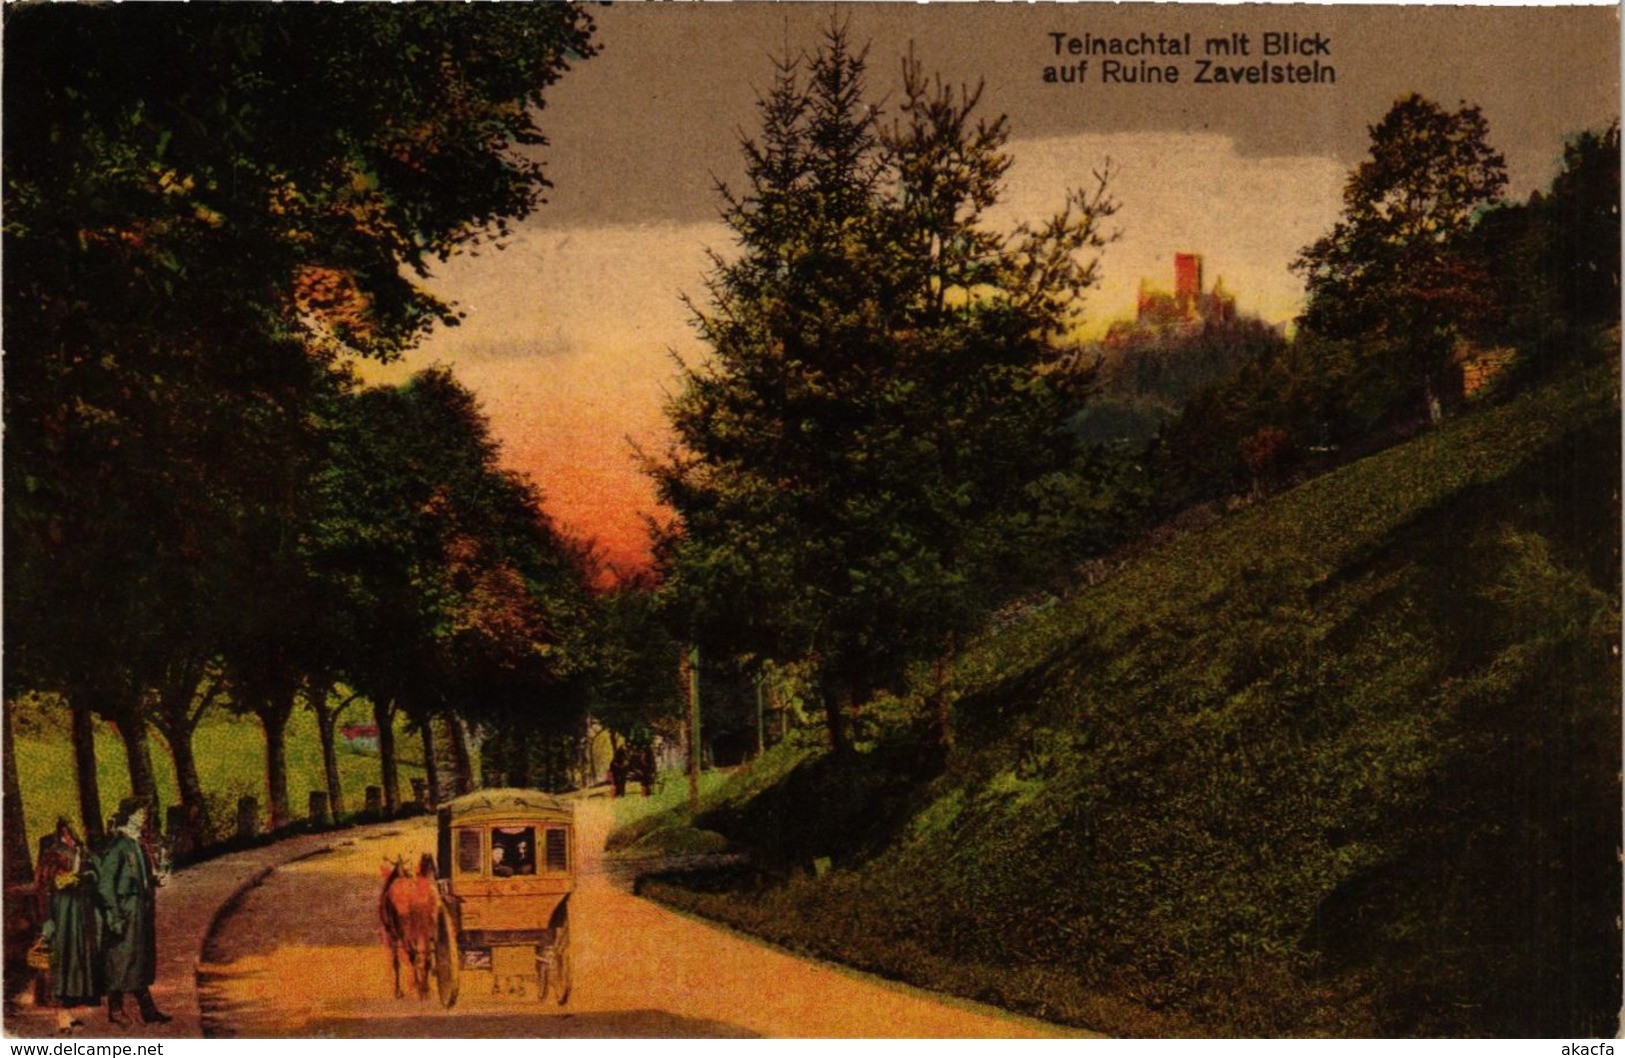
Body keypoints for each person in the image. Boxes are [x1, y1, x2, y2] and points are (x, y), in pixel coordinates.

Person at [96, 798, 170, 1027]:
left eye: (144, 813)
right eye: (139, 813)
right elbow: (105, 885)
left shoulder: (137, 844)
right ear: (128, 816)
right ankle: (116, 1010)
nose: (143, 817)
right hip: (125, 910)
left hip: (140, 909)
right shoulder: (118, 846)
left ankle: (147, 1009)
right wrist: (115, 914)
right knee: (120, 960)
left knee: (139, 959)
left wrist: (154, 880)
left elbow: (138, 875)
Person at [34, 819, 103, 1033]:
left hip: (78, 912)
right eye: (65, 831)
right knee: (60, 962)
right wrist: (47, 918)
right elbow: (44, 884)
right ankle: (62, 1018)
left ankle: (69, 1015)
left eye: (70, 830)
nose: (69, 834)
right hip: (61, 912)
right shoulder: (52, 852)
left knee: (76, 959)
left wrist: (83, 877)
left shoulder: (81, 849)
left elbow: (94, 872)